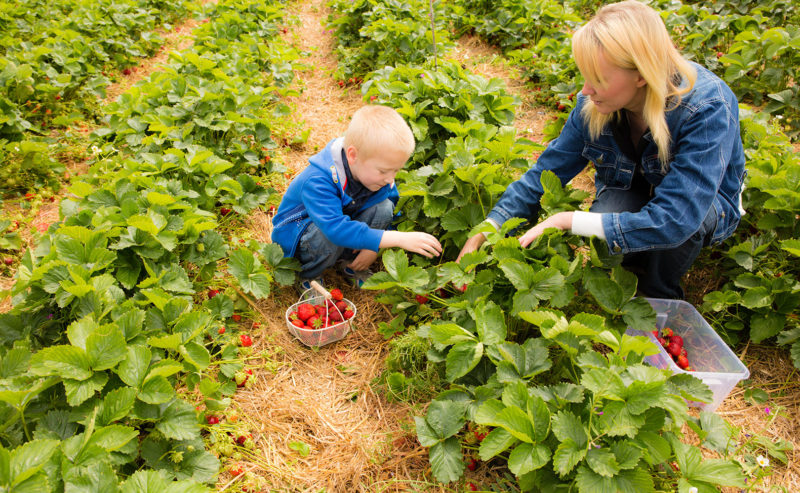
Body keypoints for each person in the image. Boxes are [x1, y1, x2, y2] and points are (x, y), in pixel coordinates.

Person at [457, 0, 746, 299]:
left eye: (598, 79)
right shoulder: (593, 106)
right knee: (610, 217)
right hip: (633, 191)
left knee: (678, 231)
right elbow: (545, 173)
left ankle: (657, 295)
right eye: (586, 76)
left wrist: (567, 220)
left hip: (699, 207)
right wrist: (487, 228)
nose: (585, 90)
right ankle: (631, 266)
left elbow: (676, 218)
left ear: (641, 74)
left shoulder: (706, 108)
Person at [271, 105, 442, 290]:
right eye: (384, 170)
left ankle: (349, 262)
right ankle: (308, 276)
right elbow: (335, 229)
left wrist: (372, 248)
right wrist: (396, 238)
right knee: (328, 236)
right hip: (302, 237)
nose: (390, 179)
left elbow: (391, 206)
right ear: (353, 155)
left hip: (341, 228)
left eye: (396, 170)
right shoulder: (318, 180)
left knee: (383, 207)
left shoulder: (376, 175)